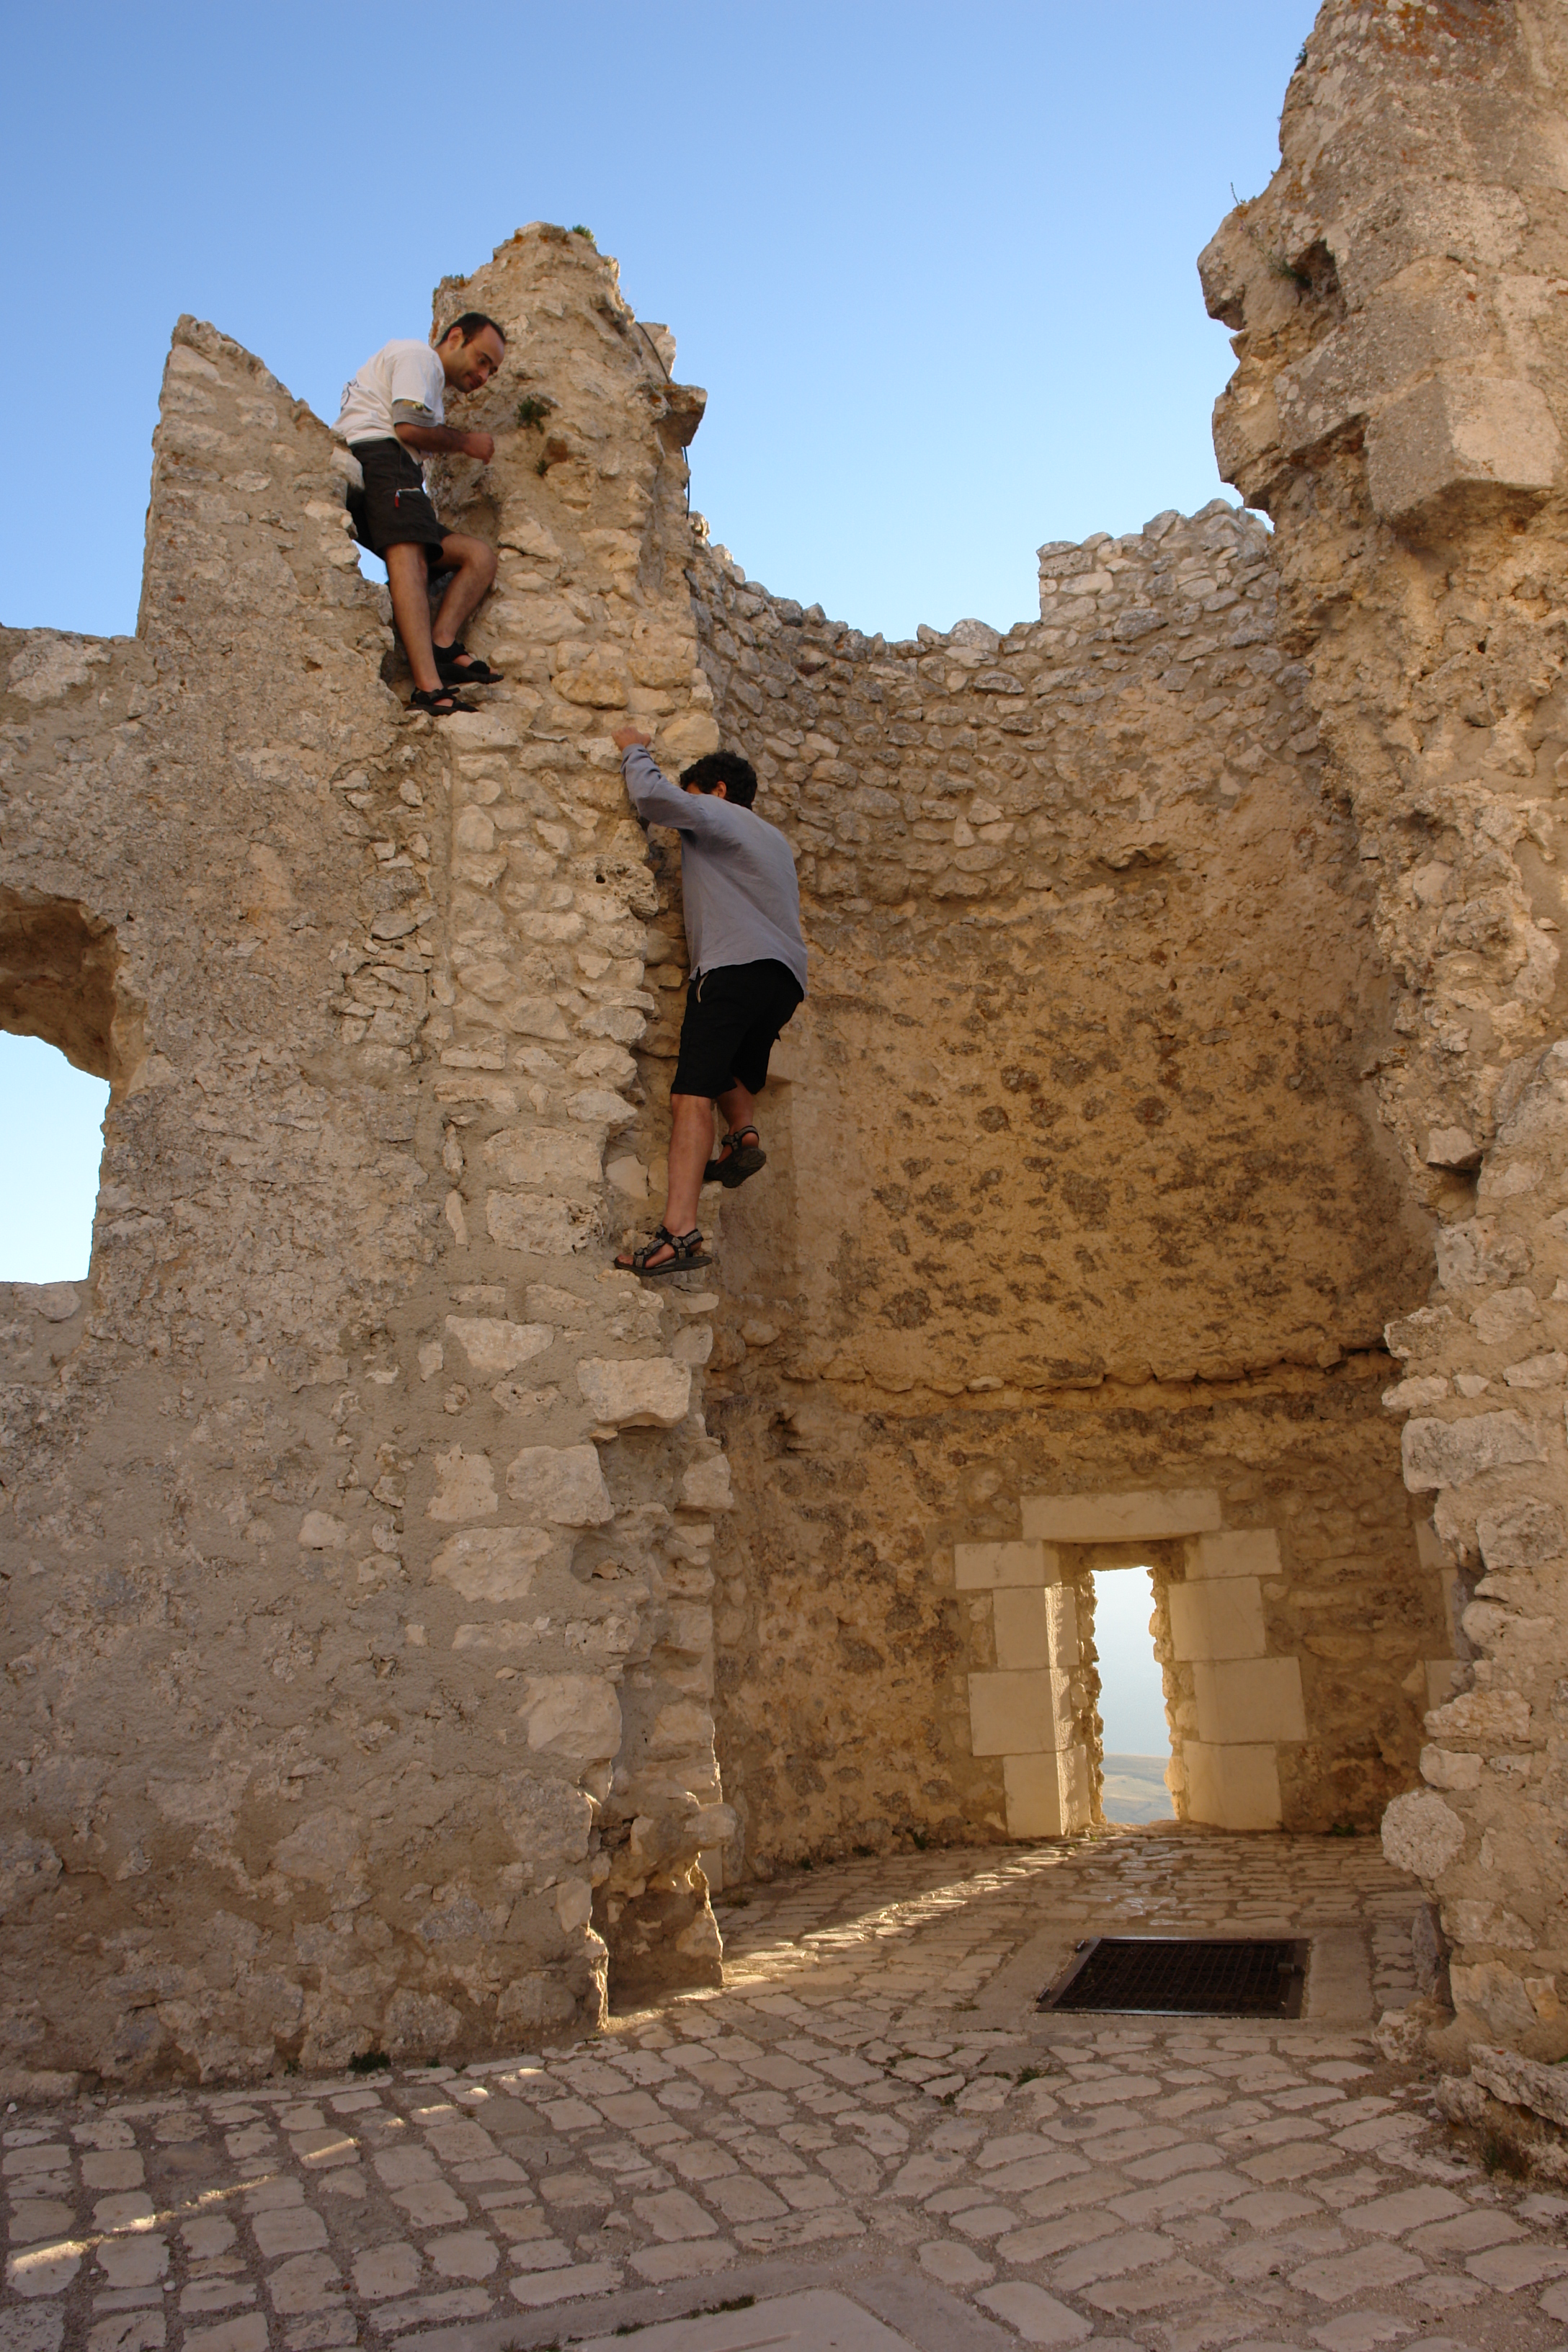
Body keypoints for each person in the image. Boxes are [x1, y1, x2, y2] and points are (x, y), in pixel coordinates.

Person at [610, 725, 808, 1277]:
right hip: (784, 977)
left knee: (690, 1095)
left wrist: (634, 748)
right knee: (723, 1068)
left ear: (717, 790)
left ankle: (679, 1232)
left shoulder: (719, 813)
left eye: (695, 793)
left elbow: (653, 798)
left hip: (732, 966)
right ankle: (742, 1133)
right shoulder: (774, 840)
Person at [335, 315, 508, 718]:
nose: (483, 375)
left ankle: (443, 643)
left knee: (478, 557)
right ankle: (429, 688)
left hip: (398, 472)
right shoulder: (419, 358)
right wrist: (466, 442)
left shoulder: (429, 380)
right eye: (482, 360)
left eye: (492, 371)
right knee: (408, 562)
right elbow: (407, 428)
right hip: (384, 459)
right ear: (455, 337)